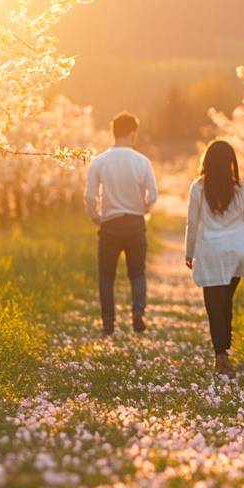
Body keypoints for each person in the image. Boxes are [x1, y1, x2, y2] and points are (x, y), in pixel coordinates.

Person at [185, 138, 244, 376]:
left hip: (210, 252)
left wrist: (189, 252)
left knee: (214, 306)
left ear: (206, 161)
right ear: (231, 162)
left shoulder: (198, 187)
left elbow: (192, 222)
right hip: (237, 252)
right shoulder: (242, 189)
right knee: (225, 302)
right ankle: (225, 350)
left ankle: (221, 355)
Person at [85, 111, 158, 336]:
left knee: (107, 275)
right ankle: (138, 312)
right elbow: (153, 194)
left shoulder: (100, 161)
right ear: (133, 133)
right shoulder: (142, 161)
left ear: (113, 132)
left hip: (110, 226)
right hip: (135, 224)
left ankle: (108, 322)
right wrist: (143, 209)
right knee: (137, 273)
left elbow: (89, 196)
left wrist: (96, 217)